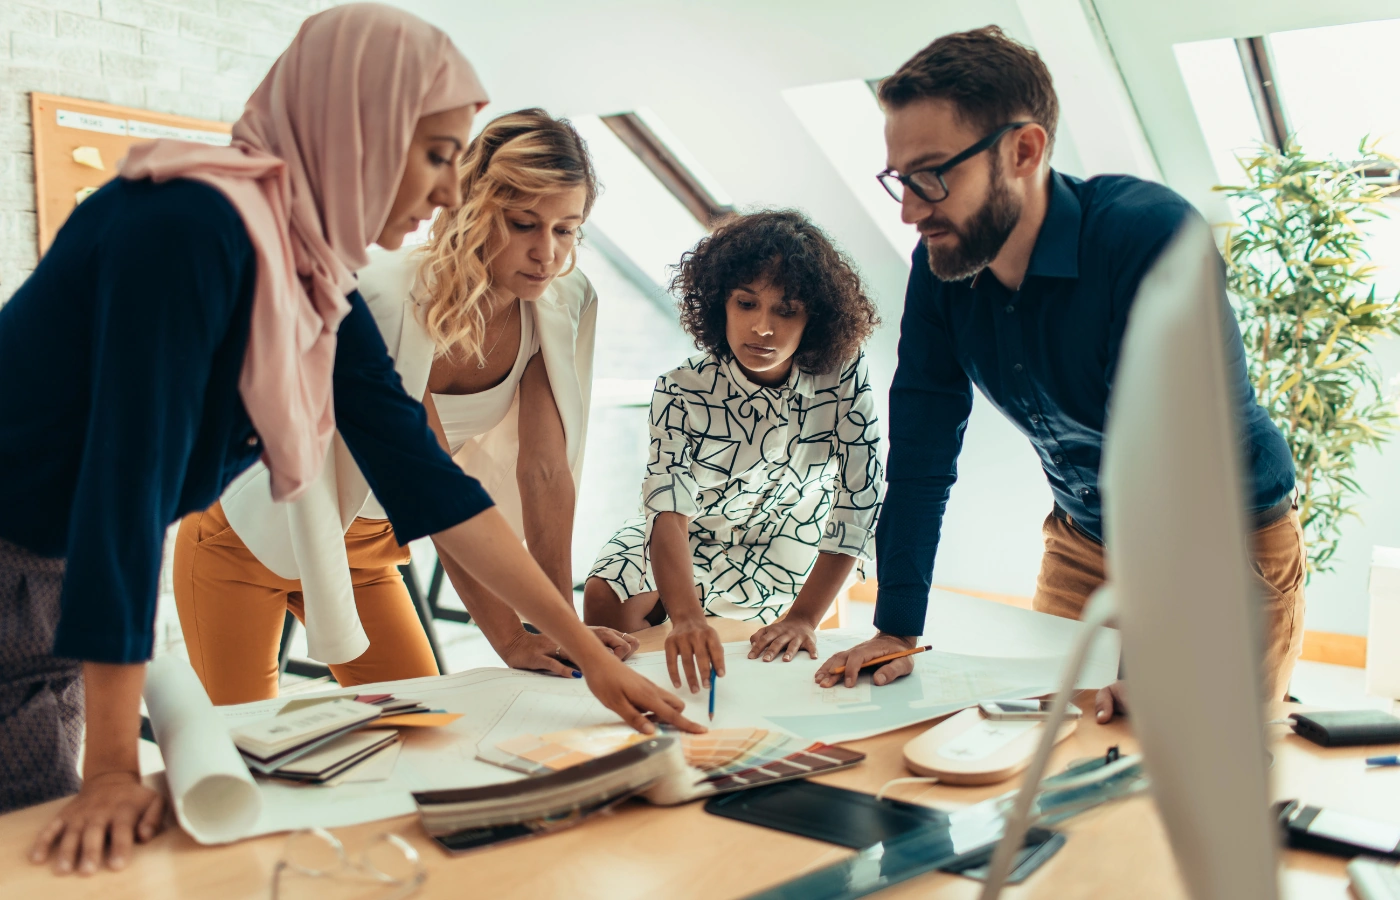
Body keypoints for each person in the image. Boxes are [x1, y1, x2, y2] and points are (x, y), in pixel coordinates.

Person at [0, 5, 696, 878]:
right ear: (356, 124)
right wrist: (110, 767)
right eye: (439, 155)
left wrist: (589, 655)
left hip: (58, 576)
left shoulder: (314, 274)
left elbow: (429, 481)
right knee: (40, 848)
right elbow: (123, 488)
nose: (450, 194)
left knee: (39, 848)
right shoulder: (183, 229)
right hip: (25, 559)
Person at [815, 27, 1303, 721]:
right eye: (899, 179)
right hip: (1084, 539)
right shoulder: (941, 266)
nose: (909, 210)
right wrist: (895, 627)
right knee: (1045, 748)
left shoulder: (1149, 238)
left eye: (930, 175)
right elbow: (922, 455)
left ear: (1024, 150)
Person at [173, 109, 637, 703]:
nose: (546, 252)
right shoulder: (389, 295)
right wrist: (512, 639)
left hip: (367, 549)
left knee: (422, 727)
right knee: (246, 749)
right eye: (523, 223)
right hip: (243, 538)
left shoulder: (562, 300)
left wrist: (558, 627)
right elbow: (434, 489)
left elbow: (545, 473)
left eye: (566, 229)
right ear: (474, 209)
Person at [585, 210, 884, 694]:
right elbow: (669, 511)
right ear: (720, 302)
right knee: (605, 598)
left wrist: (807, 616)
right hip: (696, 532)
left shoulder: (843, 373)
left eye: (786, 311)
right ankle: (650, 706)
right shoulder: (680, 390)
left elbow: (860, 496)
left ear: (815, 317)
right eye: (746, 304)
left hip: (792, 536)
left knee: (769, 651)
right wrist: (683, 617)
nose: (762, 327)